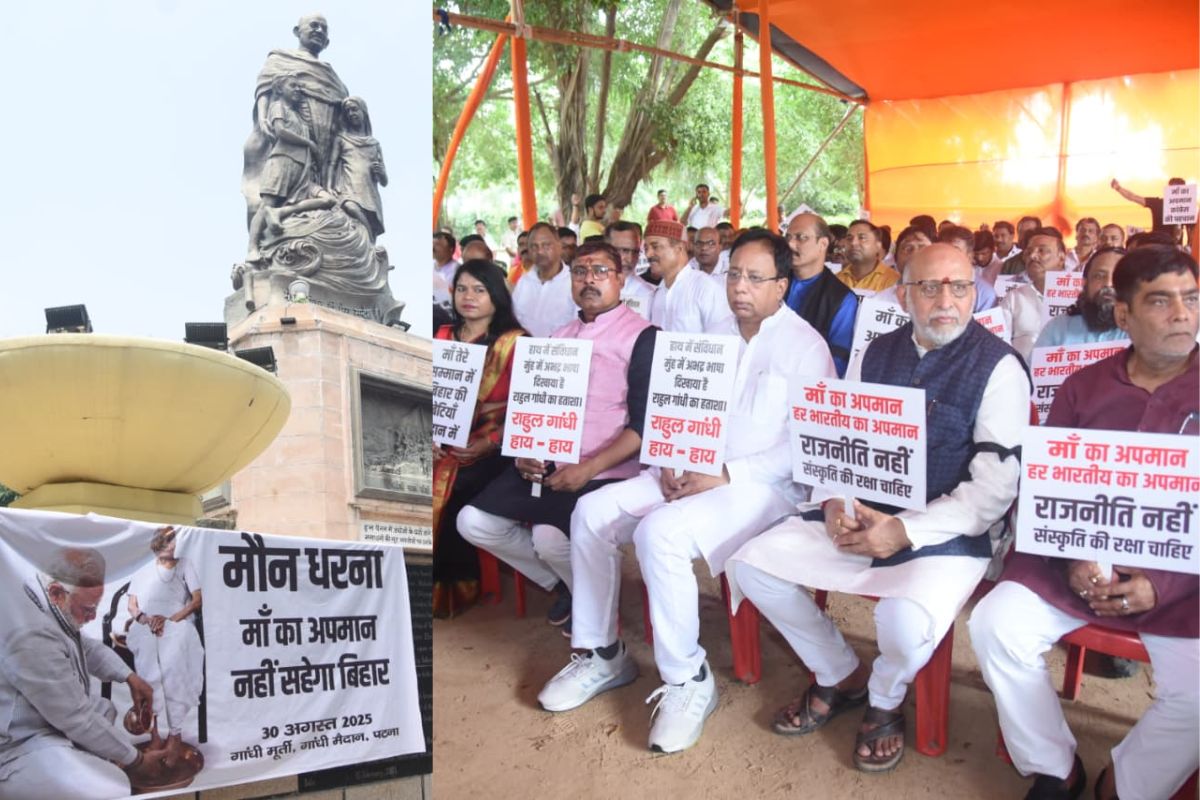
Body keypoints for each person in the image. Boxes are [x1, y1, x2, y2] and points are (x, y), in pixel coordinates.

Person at [727, 243, 1029, 773]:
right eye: (929, 287)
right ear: (902, 295)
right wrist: (835, 501)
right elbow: (838, 437)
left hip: (946, 532)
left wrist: (905, 532)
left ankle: (885, 698)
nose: (946, 302)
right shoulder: (877, 351)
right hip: (862, 511)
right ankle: (839, 672)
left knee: (903, 622)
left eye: (960, 287)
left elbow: (991, 492)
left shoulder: (1000, 367)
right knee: (751, 565)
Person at [537, 230, 836, 753]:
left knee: (661, 534)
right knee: (591, 513)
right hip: (689, 472)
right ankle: (602, 653)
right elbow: (677, 412)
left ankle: (687, 678)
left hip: (763, 488)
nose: (739, 287)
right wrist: (671, 458)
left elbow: (808, 444)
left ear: (782, 285)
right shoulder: (710, 337)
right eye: (734, 274)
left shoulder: (806, 346)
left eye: (755, 278)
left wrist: (726, 474)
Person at [970, 246, 1199, 800]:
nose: (1182, 315)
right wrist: (1073, 558)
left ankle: (1125, 785)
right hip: (1075, 564)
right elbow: (1047, 488)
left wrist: (1160, 583)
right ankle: (1053, 765)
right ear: (1124, 314)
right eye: (1161, 301)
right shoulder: (1083, 387)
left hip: (1184, 583)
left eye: (1191, 299)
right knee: (996, 625)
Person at [458, 242, 657, 633]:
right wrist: (524, 452)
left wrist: (588, 468)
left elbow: (644, 426)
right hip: (550, 462)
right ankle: (572, 585)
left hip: (608, 469)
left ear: (621, 279)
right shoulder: (557, 338)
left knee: (549, 540)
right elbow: (533, 407)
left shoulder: (644, 336)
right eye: (580, 272)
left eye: (600, 271)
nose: (589, 280)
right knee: (473, 522)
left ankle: (590, 603)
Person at [0, 547, 161, 799]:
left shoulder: (48, 602)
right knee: (111, 786)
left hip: (49, 725)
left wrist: (130, 677)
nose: (94, 616)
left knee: (105, 708)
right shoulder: (30, 633)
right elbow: (77, 718)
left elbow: (86, 646)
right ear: (57, 593)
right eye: (88, 608)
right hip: (18, 747)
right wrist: (138, 761)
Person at [433, 260, 526, 617]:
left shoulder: (515, 343)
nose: (468, 297)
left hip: (494, 443)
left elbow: (527, 407)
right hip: (440, 440)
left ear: (496, 296)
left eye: (478, 290)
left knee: (457, 485)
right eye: (461, 289)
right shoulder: (442, 336)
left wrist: (489, 442)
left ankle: (455, 587)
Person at [242, 14, 348, 224]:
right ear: (297, 31)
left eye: (323, 29)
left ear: (327, 42)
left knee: (318, 179)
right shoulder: (280, 59)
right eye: (314, 25)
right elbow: (265, 88)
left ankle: (310, 215)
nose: (319, 31)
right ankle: (280, 218)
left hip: (326, 137)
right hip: (292, 131)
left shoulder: (331, 75)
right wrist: (262, 116)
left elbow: (342, 105)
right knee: (286, 181)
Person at [125, 527, 204, 769]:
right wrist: (147, 620)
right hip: (147, 624)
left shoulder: (185, 564)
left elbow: (197, 601)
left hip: (177, 622)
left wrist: (170, 619)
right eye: (167, 542)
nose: (172, 546)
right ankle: (155, 734)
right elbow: (132, 606)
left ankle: (175, 735)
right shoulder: (143, 569)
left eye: (173, 541)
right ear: (157, 545)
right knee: (149, 667)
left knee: (173, 665)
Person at [247, 74, 321, 263]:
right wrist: (308, 143)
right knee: (267, 204)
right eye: (292, 85)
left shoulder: (297, 115)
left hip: (300, 165)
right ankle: (253, 248)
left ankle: (279, 218)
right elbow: (280, 131)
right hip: (282, 161)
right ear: (280, 89)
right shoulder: (277, 106)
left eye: (299, 86)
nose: (297, 89)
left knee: (321, 200)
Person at [783, 212, 859, 377]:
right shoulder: (773, 280)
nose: (790, 244)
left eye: (801, 237)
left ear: (823, 244)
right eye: (788, 237)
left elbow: (837, 361)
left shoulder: (841, 299)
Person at [644, 219, 734, 333]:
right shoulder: (658, 293)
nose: (648, 254)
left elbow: (723, 340)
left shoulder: (706, 289)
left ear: (680, 248)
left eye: (655, 247)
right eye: (646, 248)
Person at [1033, 246, 1130, 349]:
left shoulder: (1139, 331)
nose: (1108, 284)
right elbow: (1037, 359)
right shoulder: (1059, 327)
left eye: (1118, 277)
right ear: (1085, 283)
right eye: (1099, 276)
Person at [327, 96, 386, 240]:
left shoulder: (374, 144)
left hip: (369, 192)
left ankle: (369, 242)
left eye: (354, 109)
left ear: (363, 112)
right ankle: (368, 238)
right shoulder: (342, 139)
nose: (351, 114)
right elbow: (332, 164)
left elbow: (384, 181)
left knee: (369, 224)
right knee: (350, 207)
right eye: (347, 111)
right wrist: (329, 185)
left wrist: (381, 173)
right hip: (349, 188)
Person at [511, 222, 578, 337]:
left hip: (560, 347)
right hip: (524, 346)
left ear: (559, 246)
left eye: (546, 245)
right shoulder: (524, 282)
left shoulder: (574, 282)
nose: (540, 251)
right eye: (534, 246)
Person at [606, 221, 654, 320]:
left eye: (635, 252)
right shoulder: (587, 287)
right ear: (606, 249)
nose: (630, 258)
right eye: (624, 251)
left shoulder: (647, 294)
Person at [836, 220, 899, 292]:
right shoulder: (836, 280)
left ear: (878, 245)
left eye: (862, 238)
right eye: (849, 238)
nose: (853, 243)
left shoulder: (894, 282)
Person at [1111, 177, 1186, 234]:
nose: (1174, 192)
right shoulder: (1158, 203)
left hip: (1176, 247)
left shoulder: (1186, 208)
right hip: (1157, 243)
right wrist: (1118, 188)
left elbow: (1190, 230)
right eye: (1171, 189)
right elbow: (1132, 197)